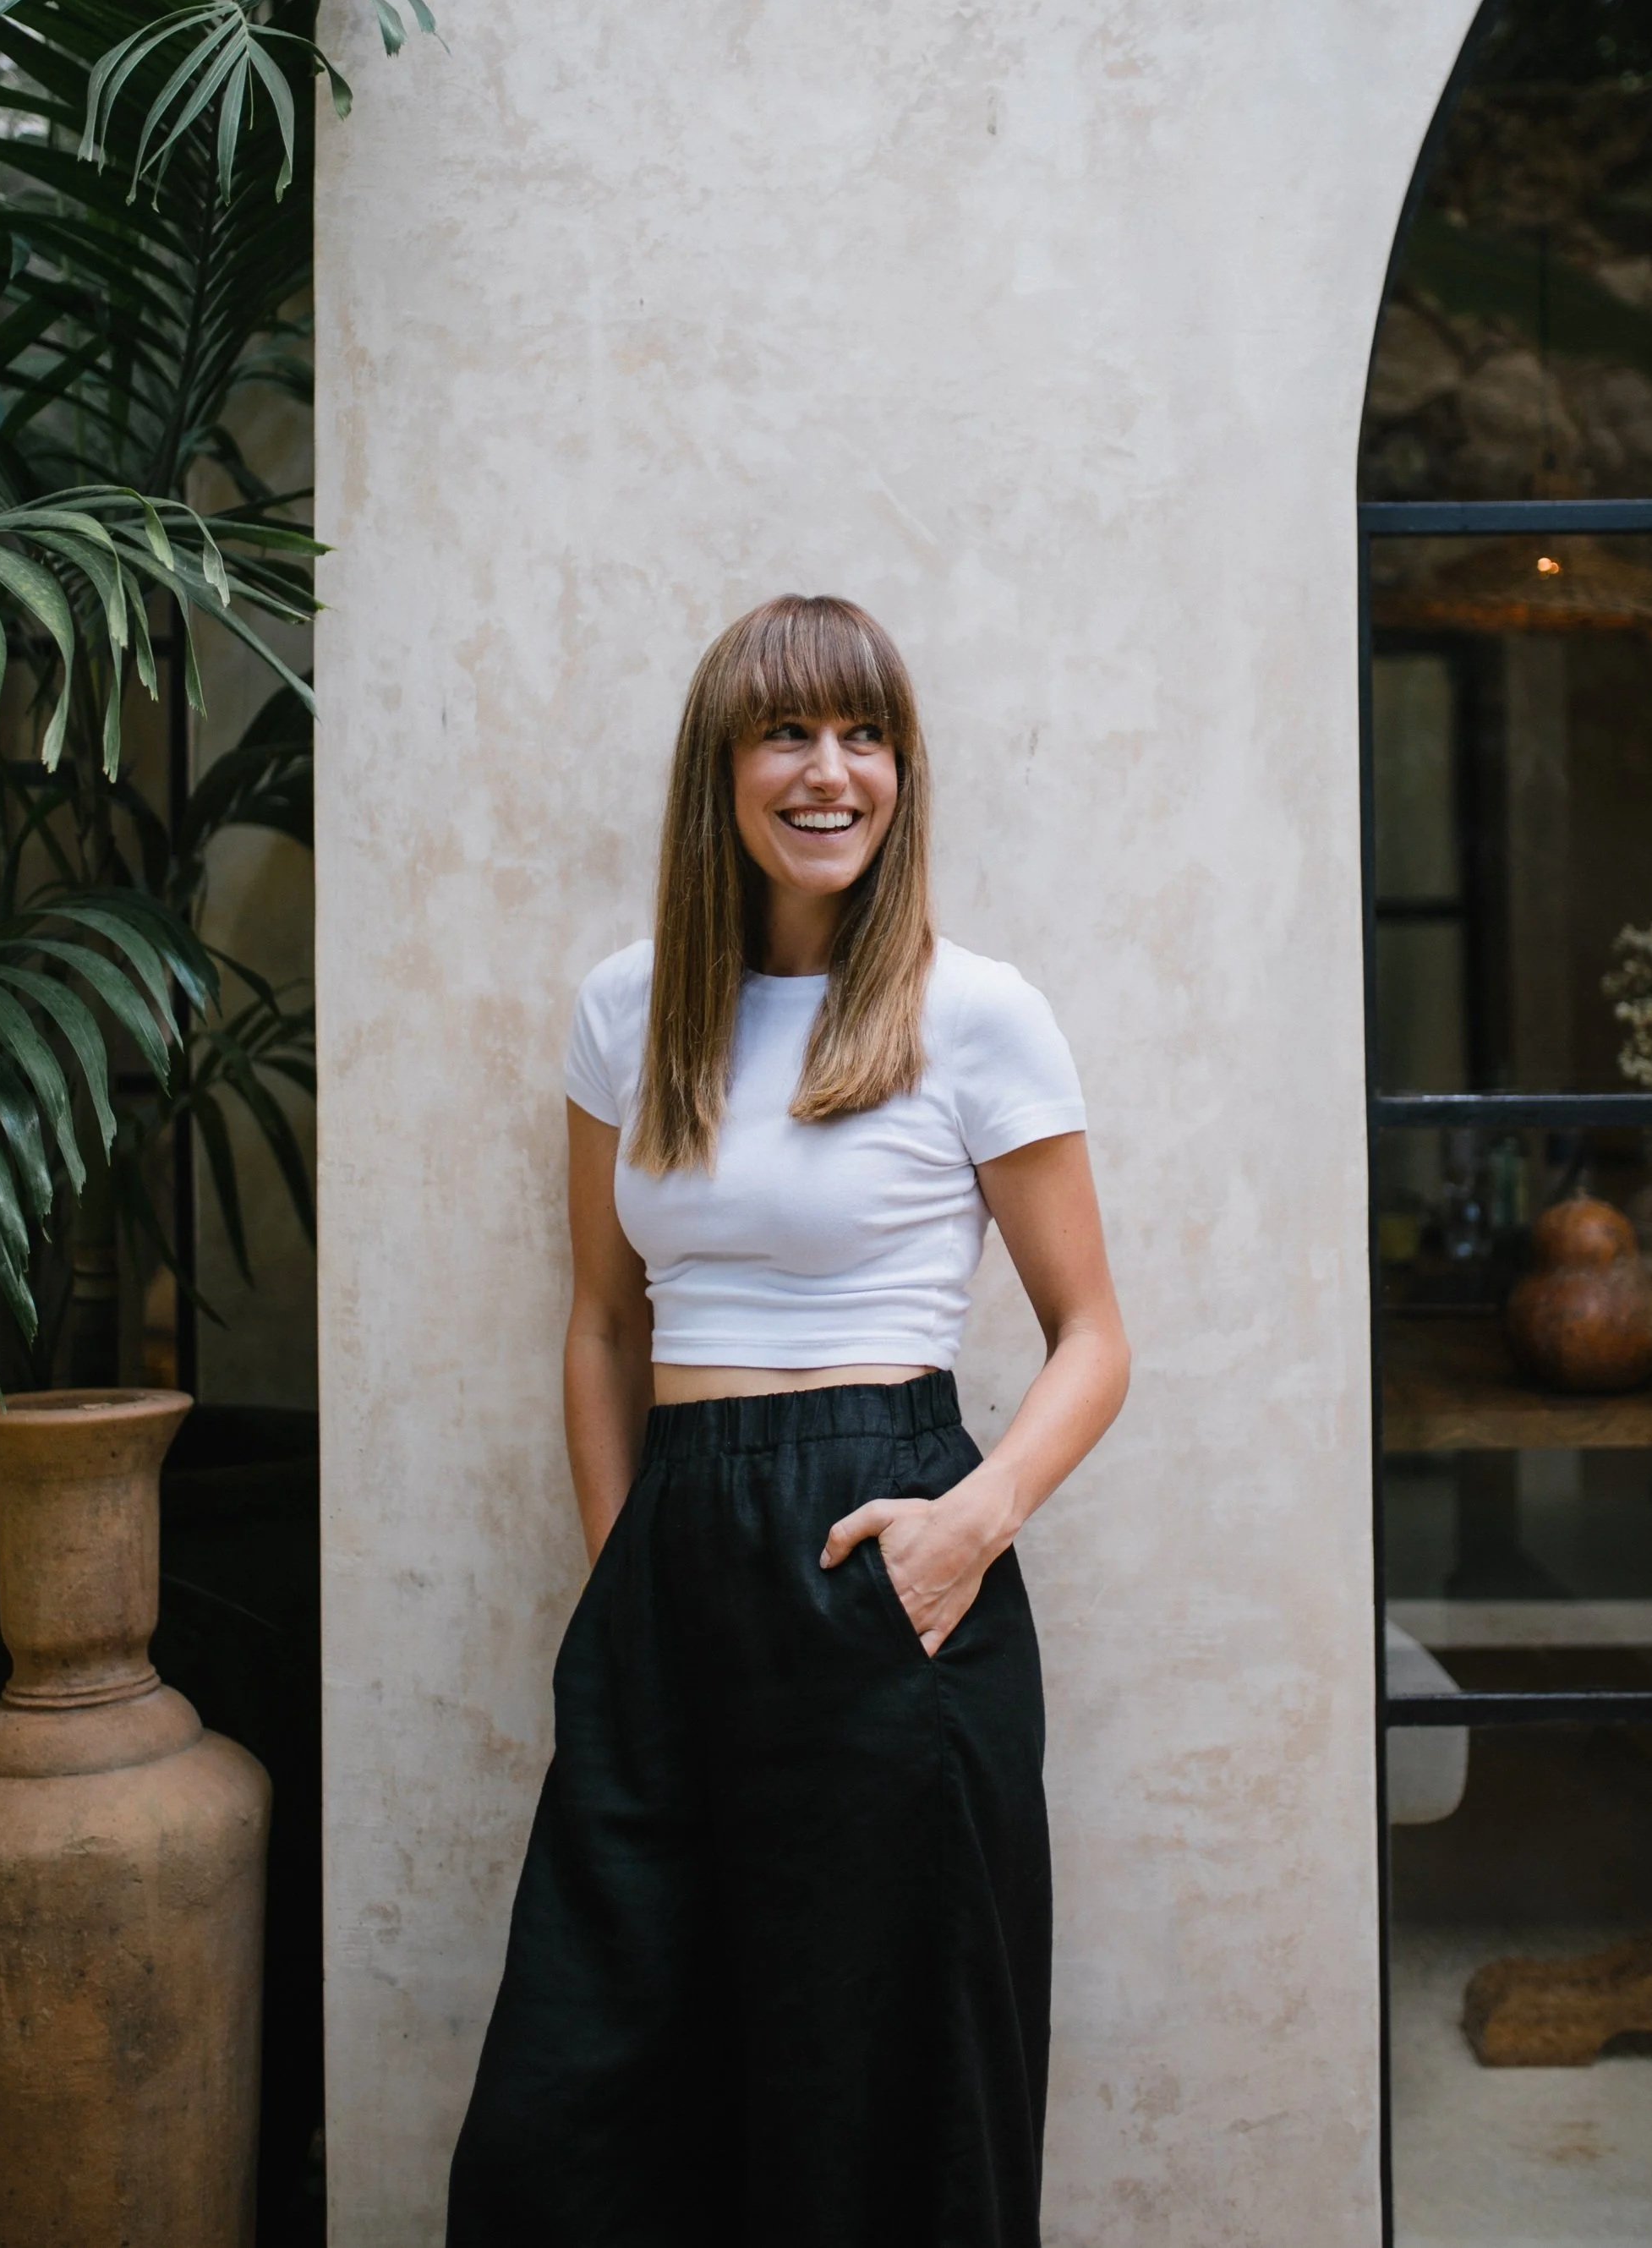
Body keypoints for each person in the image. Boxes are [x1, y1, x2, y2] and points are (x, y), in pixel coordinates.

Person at [447, 593, 1129, 2248]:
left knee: (879, 2097)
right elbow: (605, 1324)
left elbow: (1094, 1338)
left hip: (885, 1559)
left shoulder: (975, 1011)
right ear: (723, 768)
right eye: (789, 734)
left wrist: (968, 1527)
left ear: (901, 770)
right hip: (673, 1559)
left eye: (865, 735)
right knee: (589, 2095)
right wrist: (624, 1572)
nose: (831, 773)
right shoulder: (626, 1011)